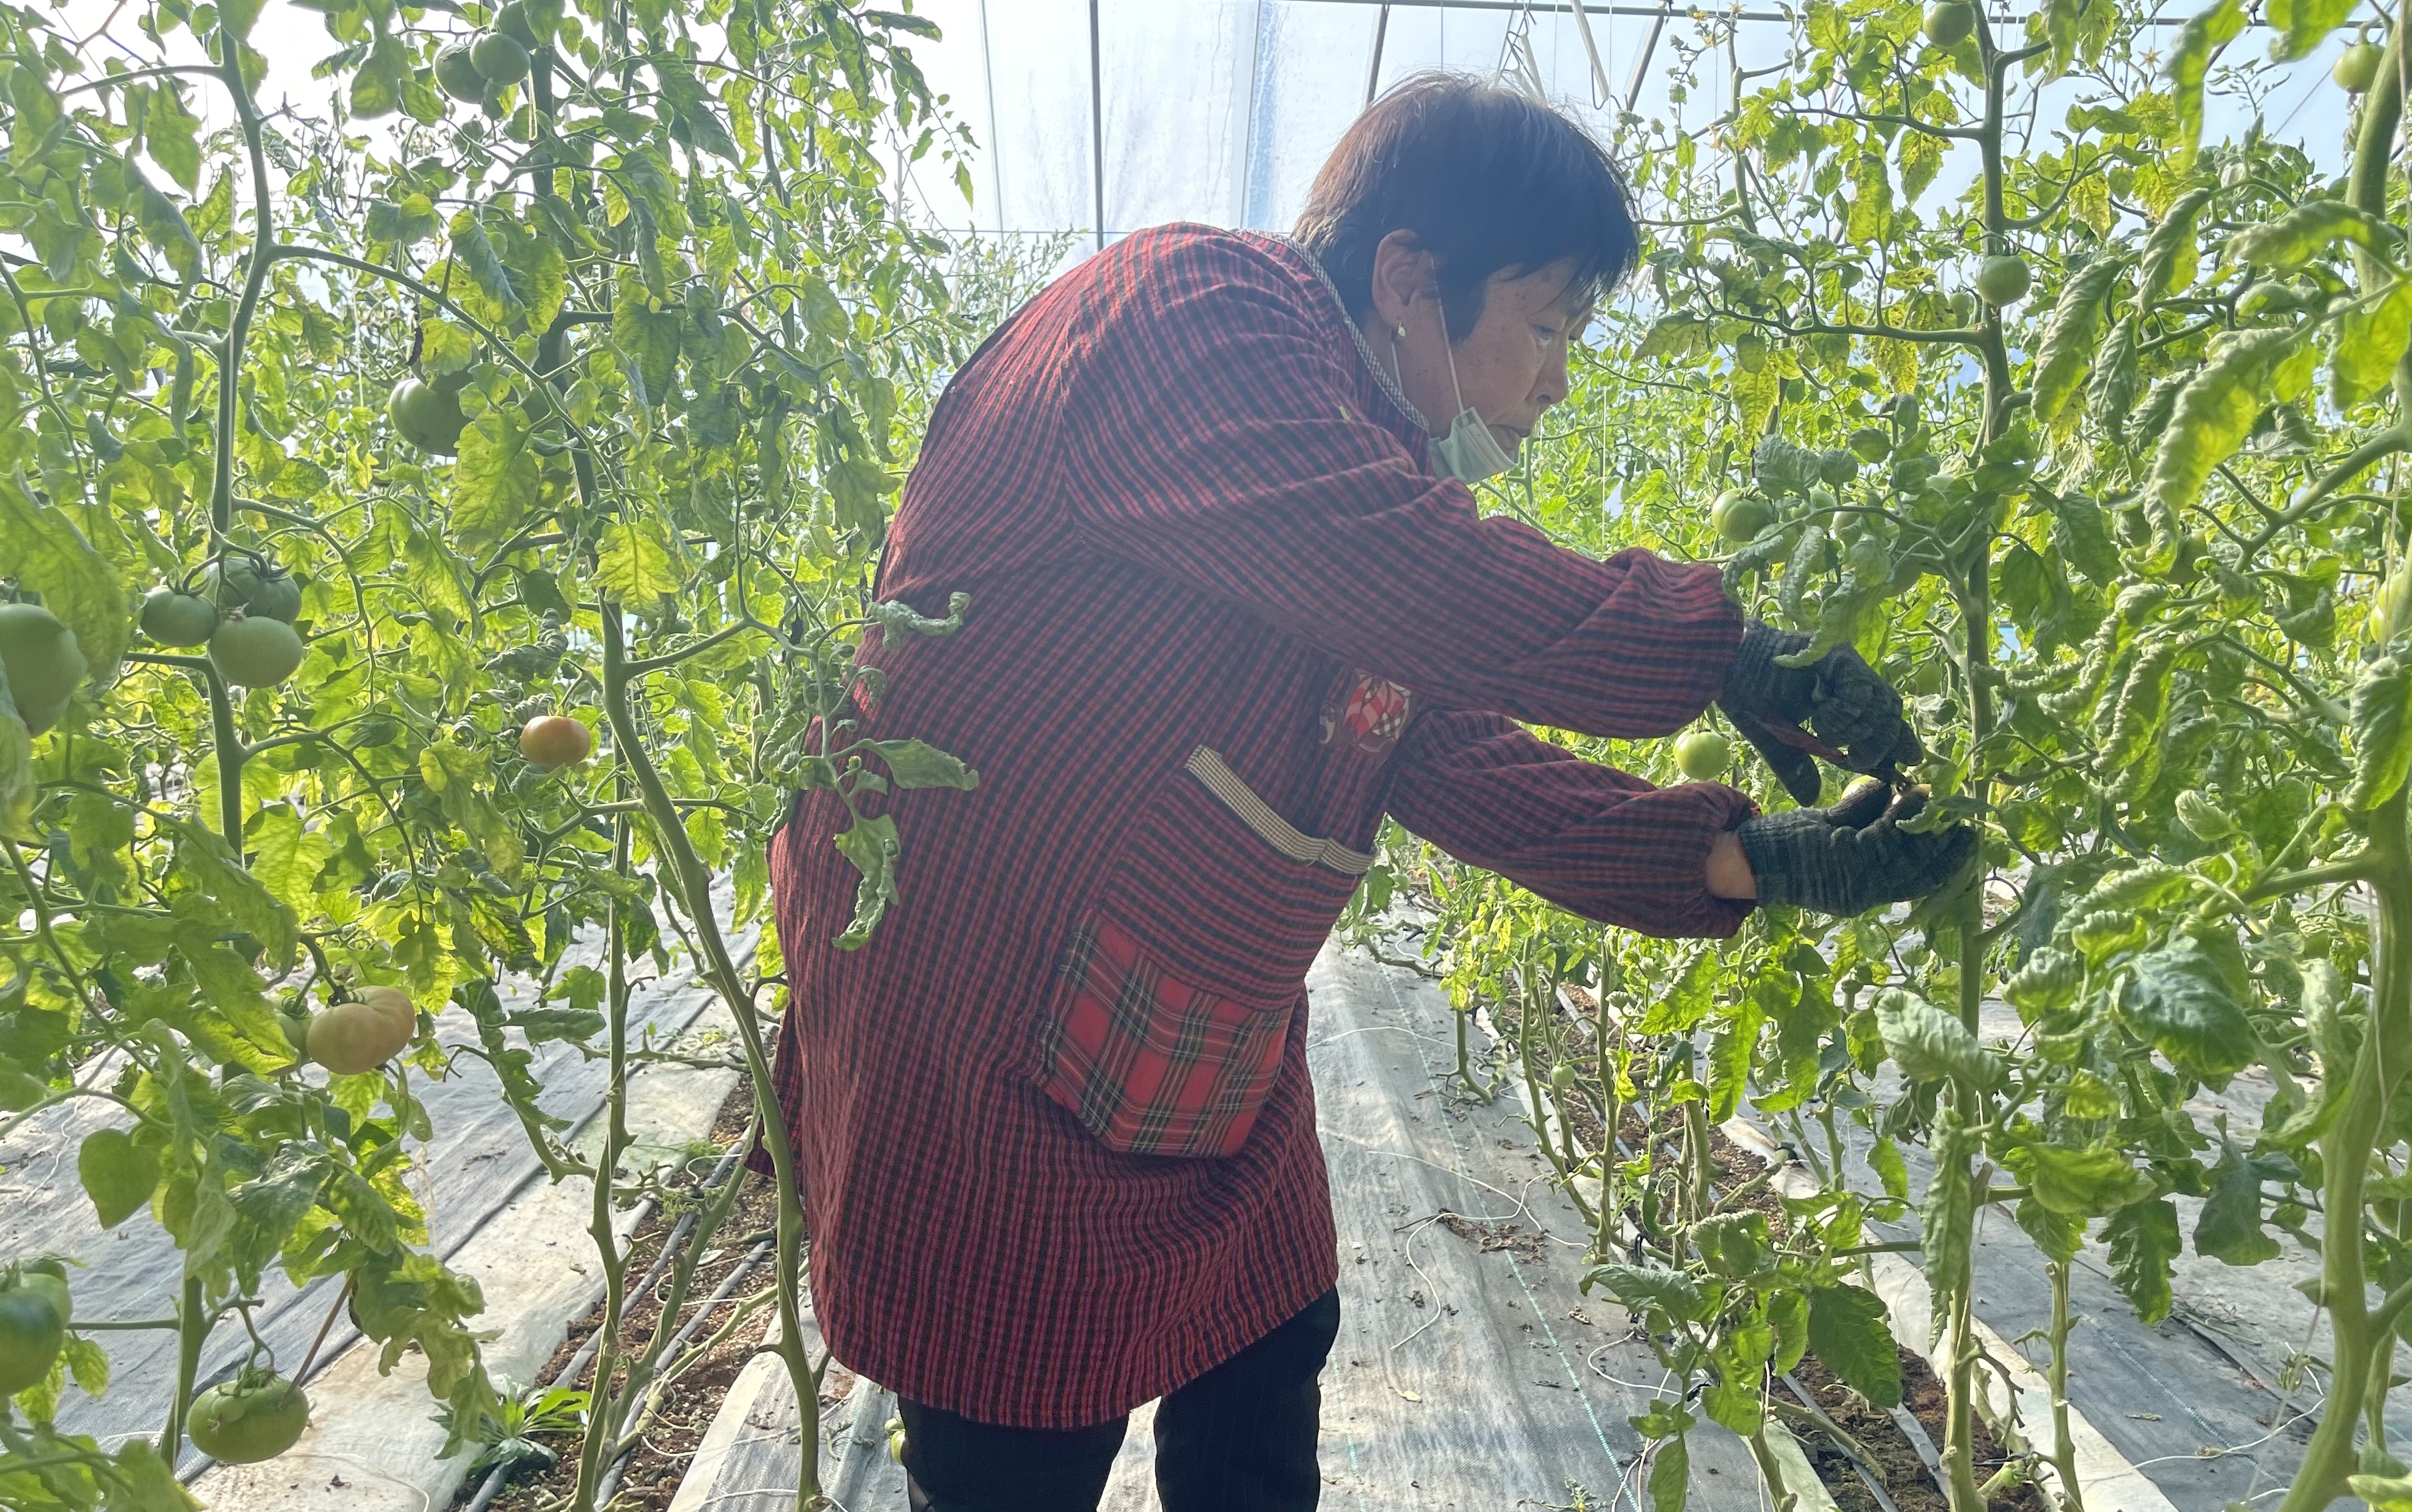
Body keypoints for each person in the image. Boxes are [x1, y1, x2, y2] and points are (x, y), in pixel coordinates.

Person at [762, 72, 1975, 1512]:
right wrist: (1718, 644)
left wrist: (1742, 859)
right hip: (985, 1010)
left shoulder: (1338, 465)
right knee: (1016, 1432)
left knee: (1269, 1342)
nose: (1559, 381)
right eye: (1548, 323)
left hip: (1188, 1025)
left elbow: (1427, 737)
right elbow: (1421, 579)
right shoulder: (1196, 309)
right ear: (1409, 278)